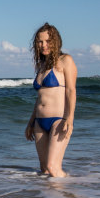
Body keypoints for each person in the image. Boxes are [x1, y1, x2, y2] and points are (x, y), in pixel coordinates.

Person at [25, 23, 77, 177]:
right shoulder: (41, 65)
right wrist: (30, 122)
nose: (43, 45)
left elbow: (71, 90)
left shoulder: (65, 60)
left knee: (53, 167)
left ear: (55, 41)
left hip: (58, 121)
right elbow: (40, 98)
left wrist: (70, 119)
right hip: (39, 123)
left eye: (48, 41)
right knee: (44, 169)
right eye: (40, 42)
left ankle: (69, 196)